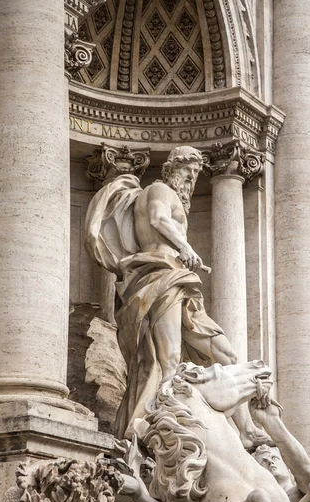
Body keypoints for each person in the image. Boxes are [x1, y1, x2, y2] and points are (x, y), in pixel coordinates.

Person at [85, 146, 266, 446]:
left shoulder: (173, 197)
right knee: (167, 359)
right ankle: (153, 431)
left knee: (226, 354)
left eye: (195, 175)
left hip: (178, 281)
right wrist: (185, 247)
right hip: (159, 277)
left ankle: (245, 429)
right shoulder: (159, 190)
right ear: (172, 169)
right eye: (188, 172)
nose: (192, 181)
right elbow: (157, 219)